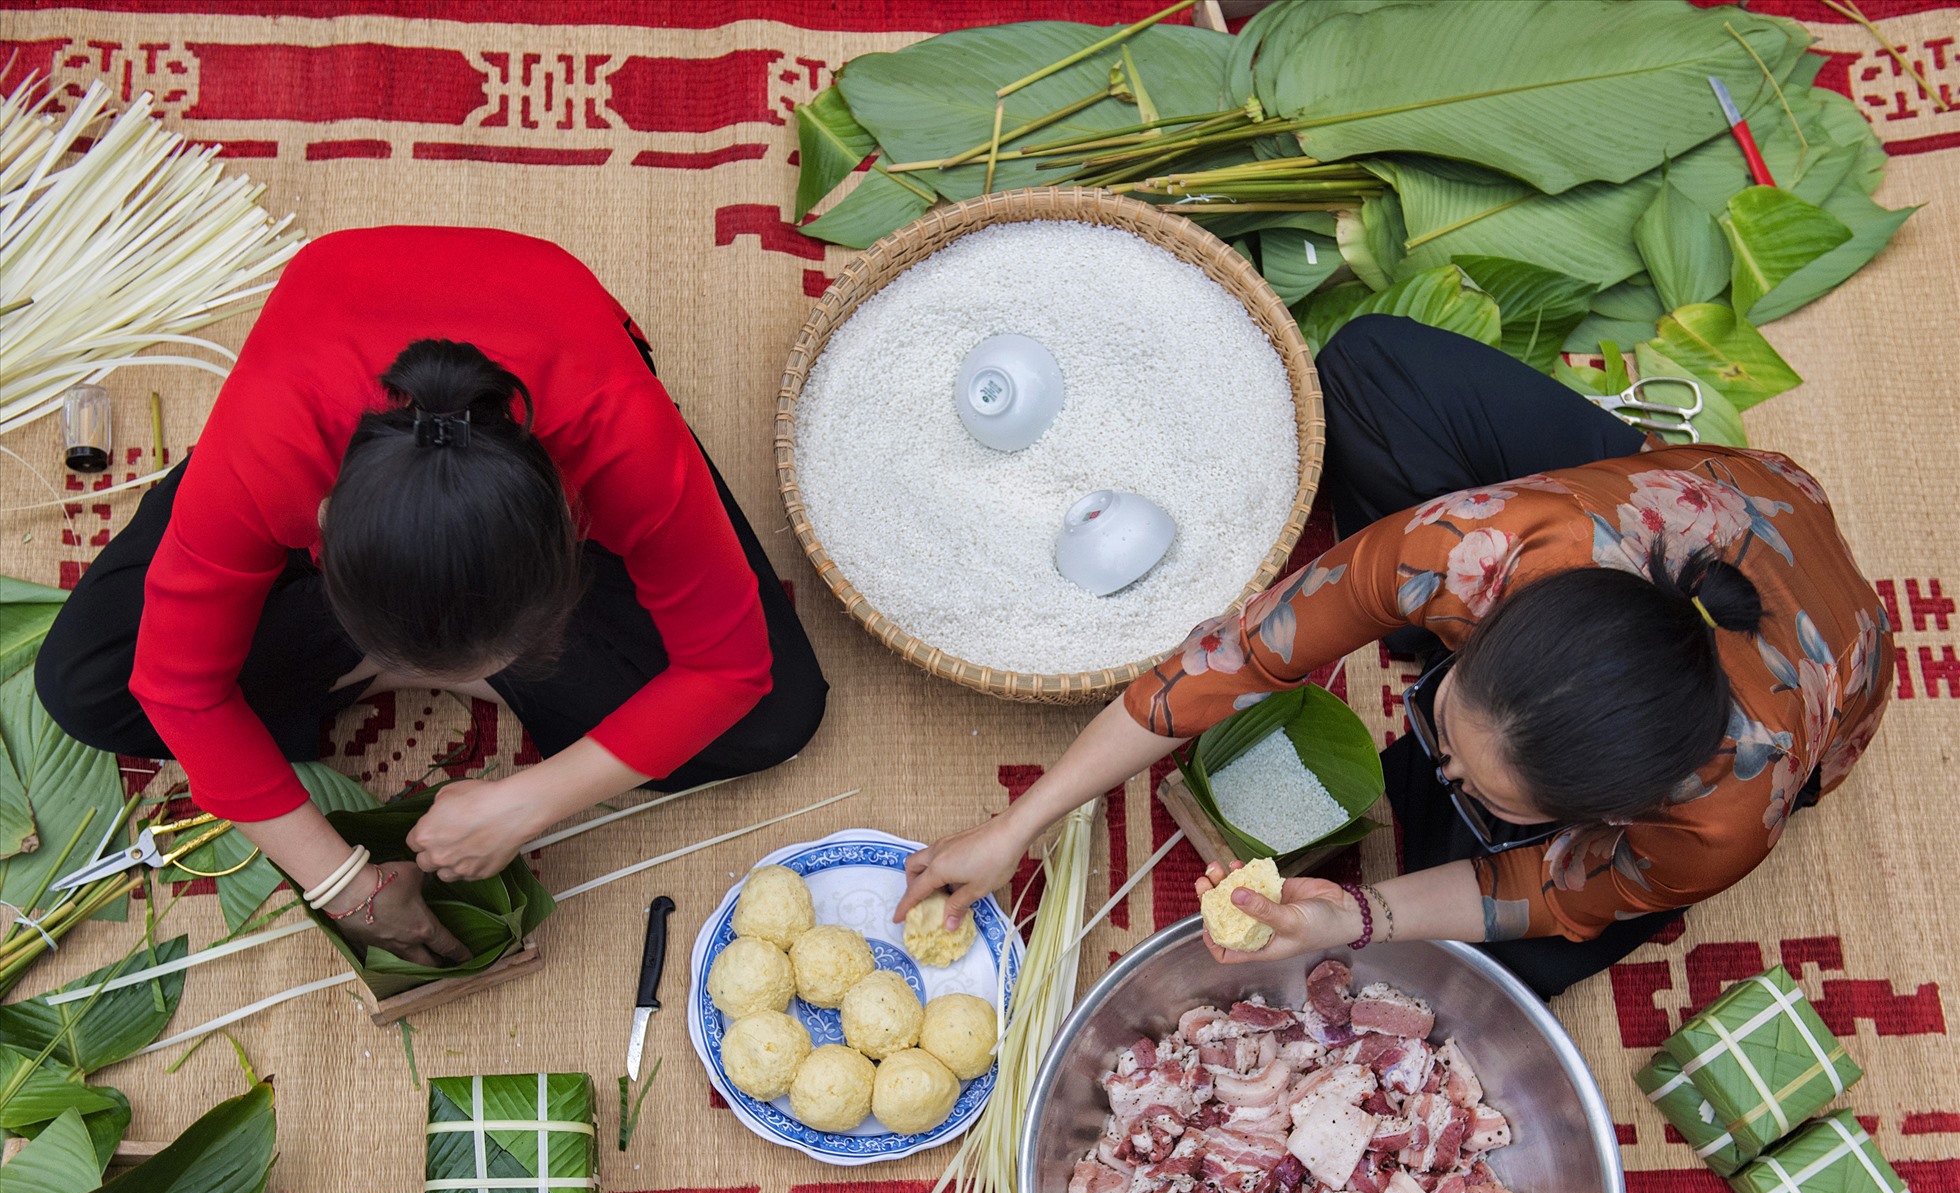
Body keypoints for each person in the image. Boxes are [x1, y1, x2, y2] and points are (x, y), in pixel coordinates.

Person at [895, 315, 1890, 999]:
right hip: (1709, 498)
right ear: (1489, 620)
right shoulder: (1474, 550)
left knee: (1508, 967)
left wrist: (1356, 919)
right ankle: (1478, 769)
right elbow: (1235, 657)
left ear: (1611, 812)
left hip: (1824, 659)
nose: (1439, 759)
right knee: (1365, 370)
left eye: (1486, 786)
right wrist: (1019, 823)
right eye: (1441, 725)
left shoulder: (1718, 819)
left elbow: (1541, 889)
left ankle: (1469, 814)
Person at [37, 227, 827, 965]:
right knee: (82, 684)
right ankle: (404, 659)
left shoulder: (623, 444)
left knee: (777, 715)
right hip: (314, 421)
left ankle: (375, 664)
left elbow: (733, 669)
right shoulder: (265, 457)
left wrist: (529, 803)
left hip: (558, 416)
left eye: (491, 660)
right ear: (319, 531)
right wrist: (340, 882)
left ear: (571, 526)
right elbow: (174, 686)